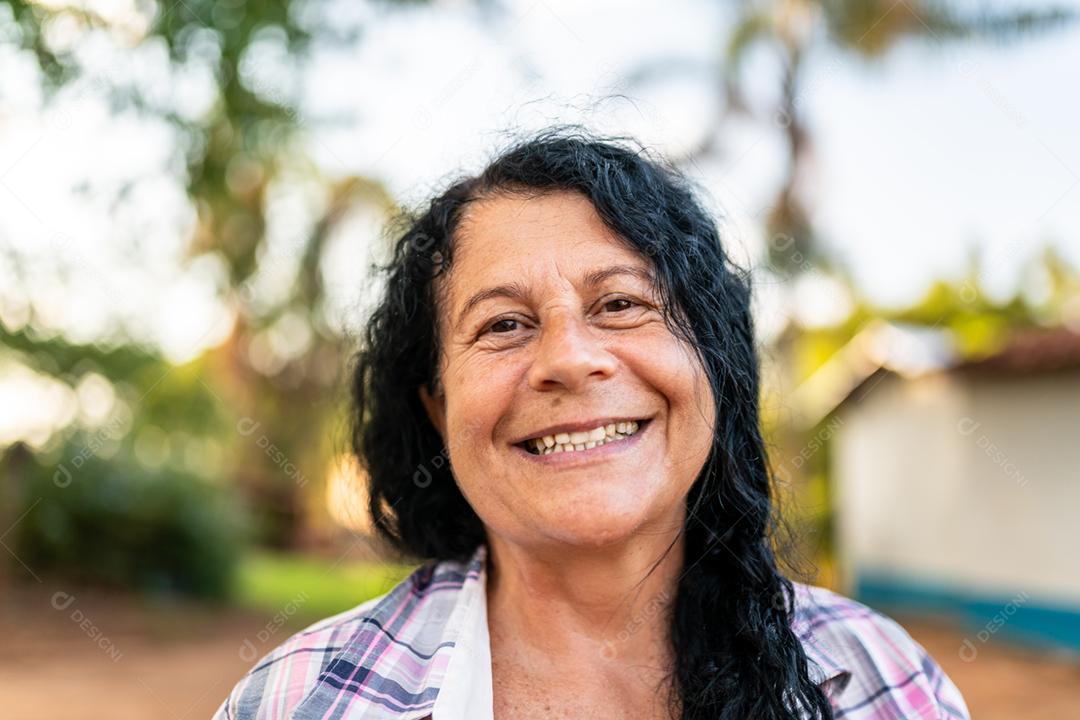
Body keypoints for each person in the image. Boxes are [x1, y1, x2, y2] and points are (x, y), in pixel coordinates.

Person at [214, 130, 969, 719]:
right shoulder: (297, 701)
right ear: (438, 410)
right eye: (504, 324)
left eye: (620, 305)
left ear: (714, 365)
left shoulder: (885, 681)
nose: (571, 360)